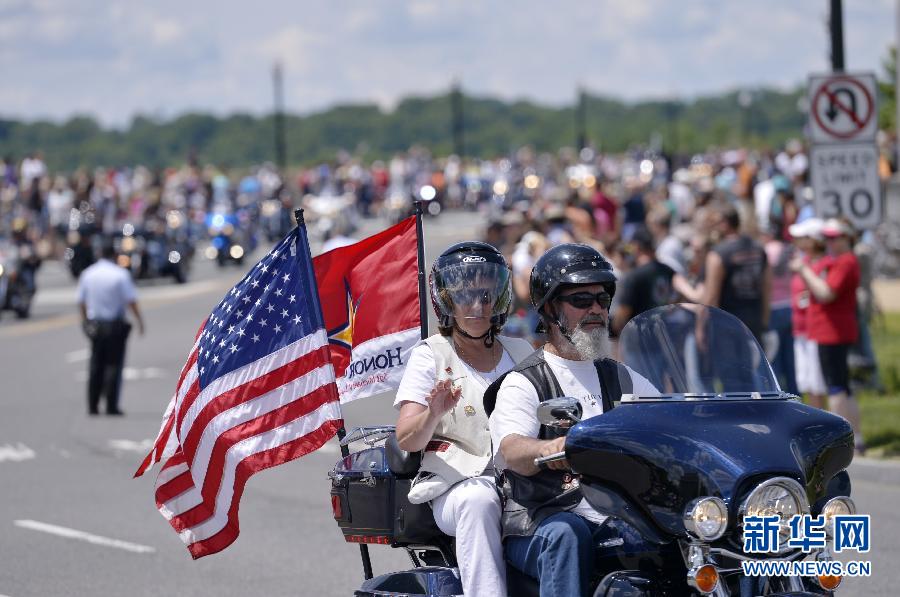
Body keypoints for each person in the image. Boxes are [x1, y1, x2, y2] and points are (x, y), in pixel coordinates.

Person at [486, 243, 659, 597]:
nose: (596, 308)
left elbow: (668, 420)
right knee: (567, 534)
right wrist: (559, 447)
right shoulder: (525, 381)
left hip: (615, 514)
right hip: (541, 519)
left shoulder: (622, 377)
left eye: (602, 298)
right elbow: (511, 450)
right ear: (550, 308)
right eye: (581, 300)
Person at [393, 241, 533, 596]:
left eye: (486, 297)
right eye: (464, 296)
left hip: (524, 483)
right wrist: (433, 412)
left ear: (499, 299)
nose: (475, 307)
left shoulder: (522, 351)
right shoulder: (430, 355)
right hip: (456, 486)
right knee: (479, 499)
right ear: (446, 301)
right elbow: (407, 439)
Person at [790, 218, 864, 454]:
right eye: (828, 237)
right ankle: (856, 438)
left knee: (836, 388)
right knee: (842, 386)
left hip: (832, 332)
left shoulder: (845, 261)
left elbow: (826, 293)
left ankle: (838, 441)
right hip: (829, 330)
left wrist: (803, 270)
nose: (830, 242)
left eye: (835, 237)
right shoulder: (838, 261)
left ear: (847, 238)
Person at [78, 242, 145, 415]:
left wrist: (85, 322)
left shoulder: (88, 273)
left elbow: (81, 302)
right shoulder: (120, 274)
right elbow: (131, 301)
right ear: (114, 255)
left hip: (96, 325)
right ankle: (111, 405)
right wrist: (140, 322)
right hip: (114, 325)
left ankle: (92, 405)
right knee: (113, 366)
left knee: (95, 366)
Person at [703, 203, 771, 342]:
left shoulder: (718, 254)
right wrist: (764, 320)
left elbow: (711, 297)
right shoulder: (758, 248)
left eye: (715, 223)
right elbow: (767, 287)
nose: (713, 228)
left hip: (728, 324)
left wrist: (702, 328)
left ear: (725, 224)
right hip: (754, 319)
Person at [788, 218, 828, 409]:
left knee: (817, 382)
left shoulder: (823, 264)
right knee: (805, 381)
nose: (797, 241)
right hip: (800, 329)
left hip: (815, 330)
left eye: (802, 237)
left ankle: (822, 426)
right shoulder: (801, 262)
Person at [611, 226, 674, 336]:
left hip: (639, 339)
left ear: (637, 246)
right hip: (662, 335)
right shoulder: (667, 270)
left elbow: (622, 315)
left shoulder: (634, 276)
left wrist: (613, 328)